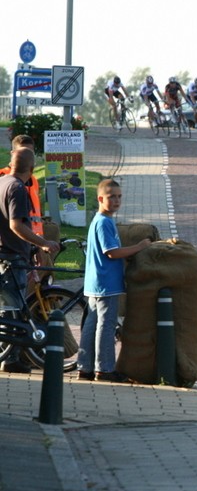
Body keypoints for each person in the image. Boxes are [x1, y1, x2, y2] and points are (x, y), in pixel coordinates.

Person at [77, 179, 151, 382]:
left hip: (95, 283)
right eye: (111, 197)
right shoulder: (104, 222)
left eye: (119, 196)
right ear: (100, 198)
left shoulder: (99, 220)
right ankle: (105, 369)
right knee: (106, 325)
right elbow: (111, 252)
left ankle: (85, 367)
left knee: (91, 325)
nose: (117, 201)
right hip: (106, 283)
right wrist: (139, 247)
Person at [0, 148, 60, 373]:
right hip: (12, 255)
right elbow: (16, 225)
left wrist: (32, 246)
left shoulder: (2, 182)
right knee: (13, 308)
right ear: (32, 170)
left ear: (10, 162)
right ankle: (11, 358)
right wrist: (43, 243)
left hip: (6, 252)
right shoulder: (17, 189)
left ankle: (8, 354)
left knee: (8, 308)